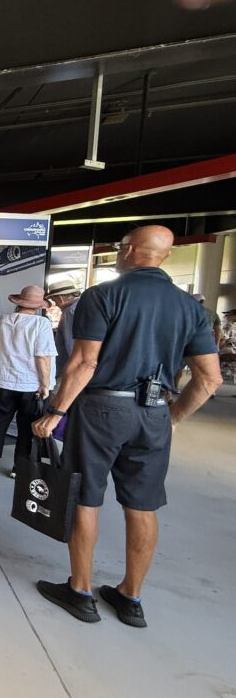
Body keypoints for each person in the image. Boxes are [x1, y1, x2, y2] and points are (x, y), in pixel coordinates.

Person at [33, 226, 222, 628]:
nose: (119, 253)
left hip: (102, 409)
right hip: (154, 413)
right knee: (143, 505)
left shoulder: (103, 296)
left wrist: (56, 410)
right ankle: (130, 597)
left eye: (120, 247)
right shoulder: (190, 307)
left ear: (130, 250)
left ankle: (81, 591)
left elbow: (85, 363)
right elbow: (209, 379)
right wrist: (171, 417)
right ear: (165, 257)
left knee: (85, 497)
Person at [0, 285, 56, 477]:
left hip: (3, 380)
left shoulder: (4, 320)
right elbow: (42, 357)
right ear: (38, 305)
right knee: (26, 426)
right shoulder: (41, 324)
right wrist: (45, 384)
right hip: (30, 383)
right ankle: (18, 467)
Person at [48, 281, 83, 379]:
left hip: (70, 369)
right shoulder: (82, 305)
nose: (56, 304)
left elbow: (70, 344)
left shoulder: (69, 311)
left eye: (54, 300)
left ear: (60, 298)